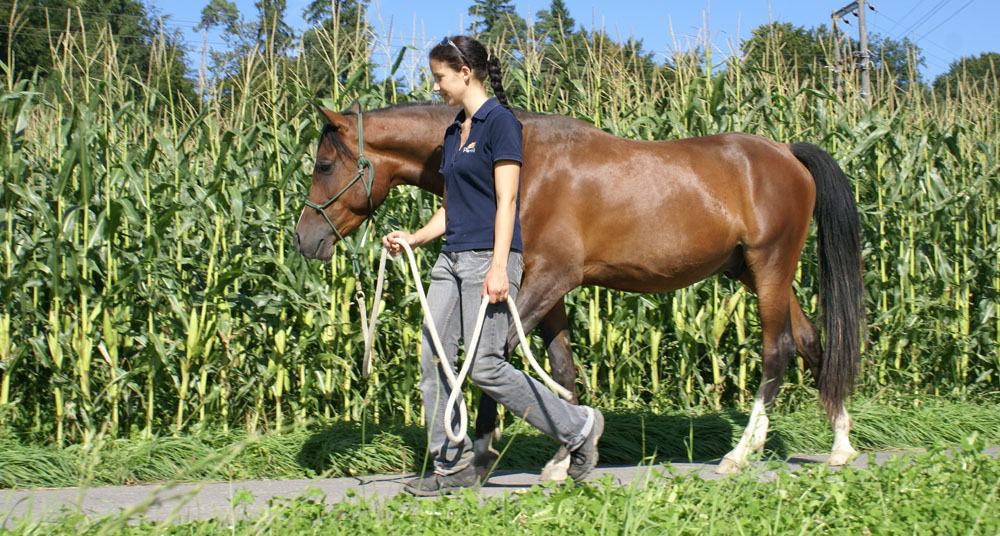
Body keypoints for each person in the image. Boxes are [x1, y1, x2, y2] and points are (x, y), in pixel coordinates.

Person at [381, 35, 603, 496]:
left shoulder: (501, 124)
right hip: (450, 259)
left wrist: (501, 266)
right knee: (434, 357)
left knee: (484, 367)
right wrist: (415, 237)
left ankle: (579, 426)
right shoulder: (452, 130)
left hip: (489, 258)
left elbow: (507, 200)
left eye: (440, 77)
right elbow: (453, 205)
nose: (436, 86)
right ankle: (451, 468)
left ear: (465, 73)